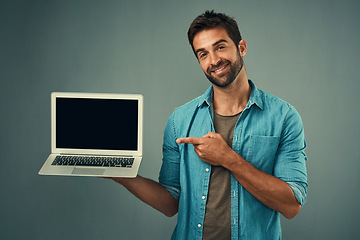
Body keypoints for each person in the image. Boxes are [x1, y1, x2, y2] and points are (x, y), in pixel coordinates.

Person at [108, 10, 308, 240]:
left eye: (220, 47)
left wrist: (228, 159)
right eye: (203, 54)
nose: (213, 60)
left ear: (241, 47)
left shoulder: (284, 117)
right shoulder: (180, 120)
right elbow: (171, 204)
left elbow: (292, 205)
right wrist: (120, 174)